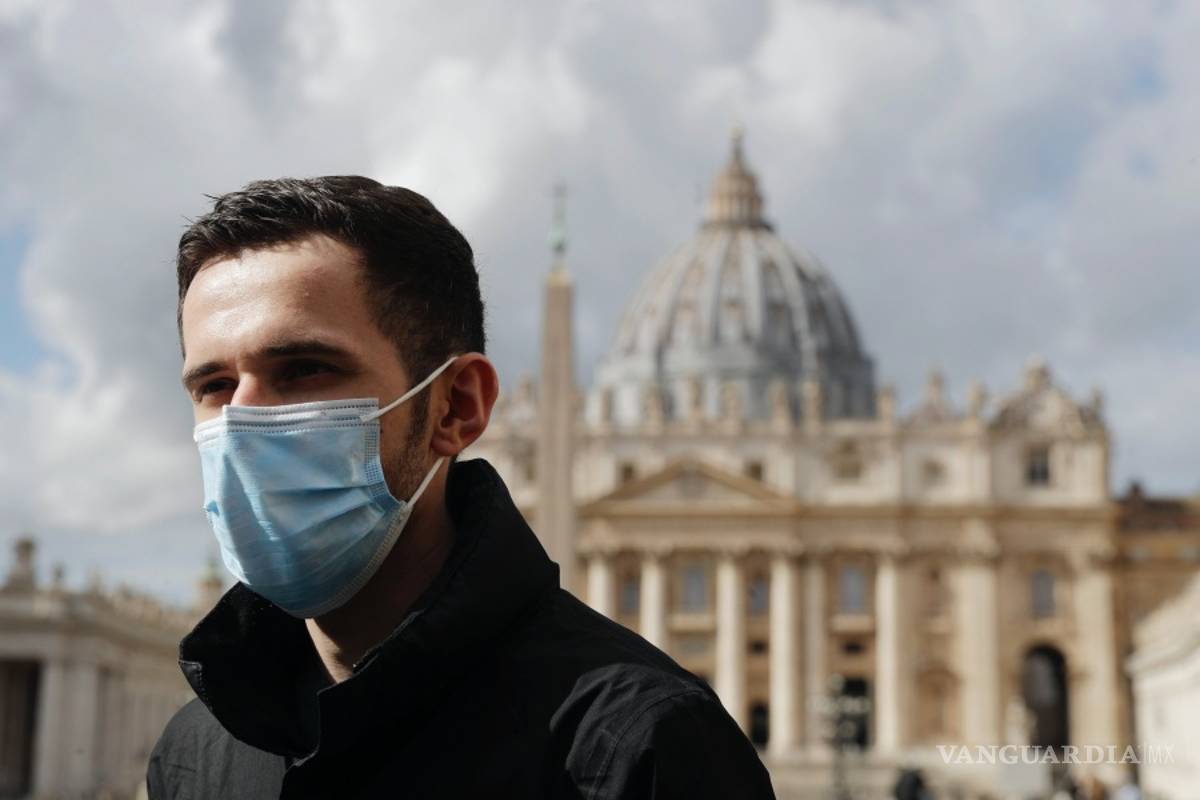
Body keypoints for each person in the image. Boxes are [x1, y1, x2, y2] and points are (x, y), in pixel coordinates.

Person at [146, 176, 776, 799]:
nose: (245, 424)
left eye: (307, 369)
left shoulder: (644, 749)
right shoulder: (193, 754)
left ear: (456, 407)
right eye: (214, 385)